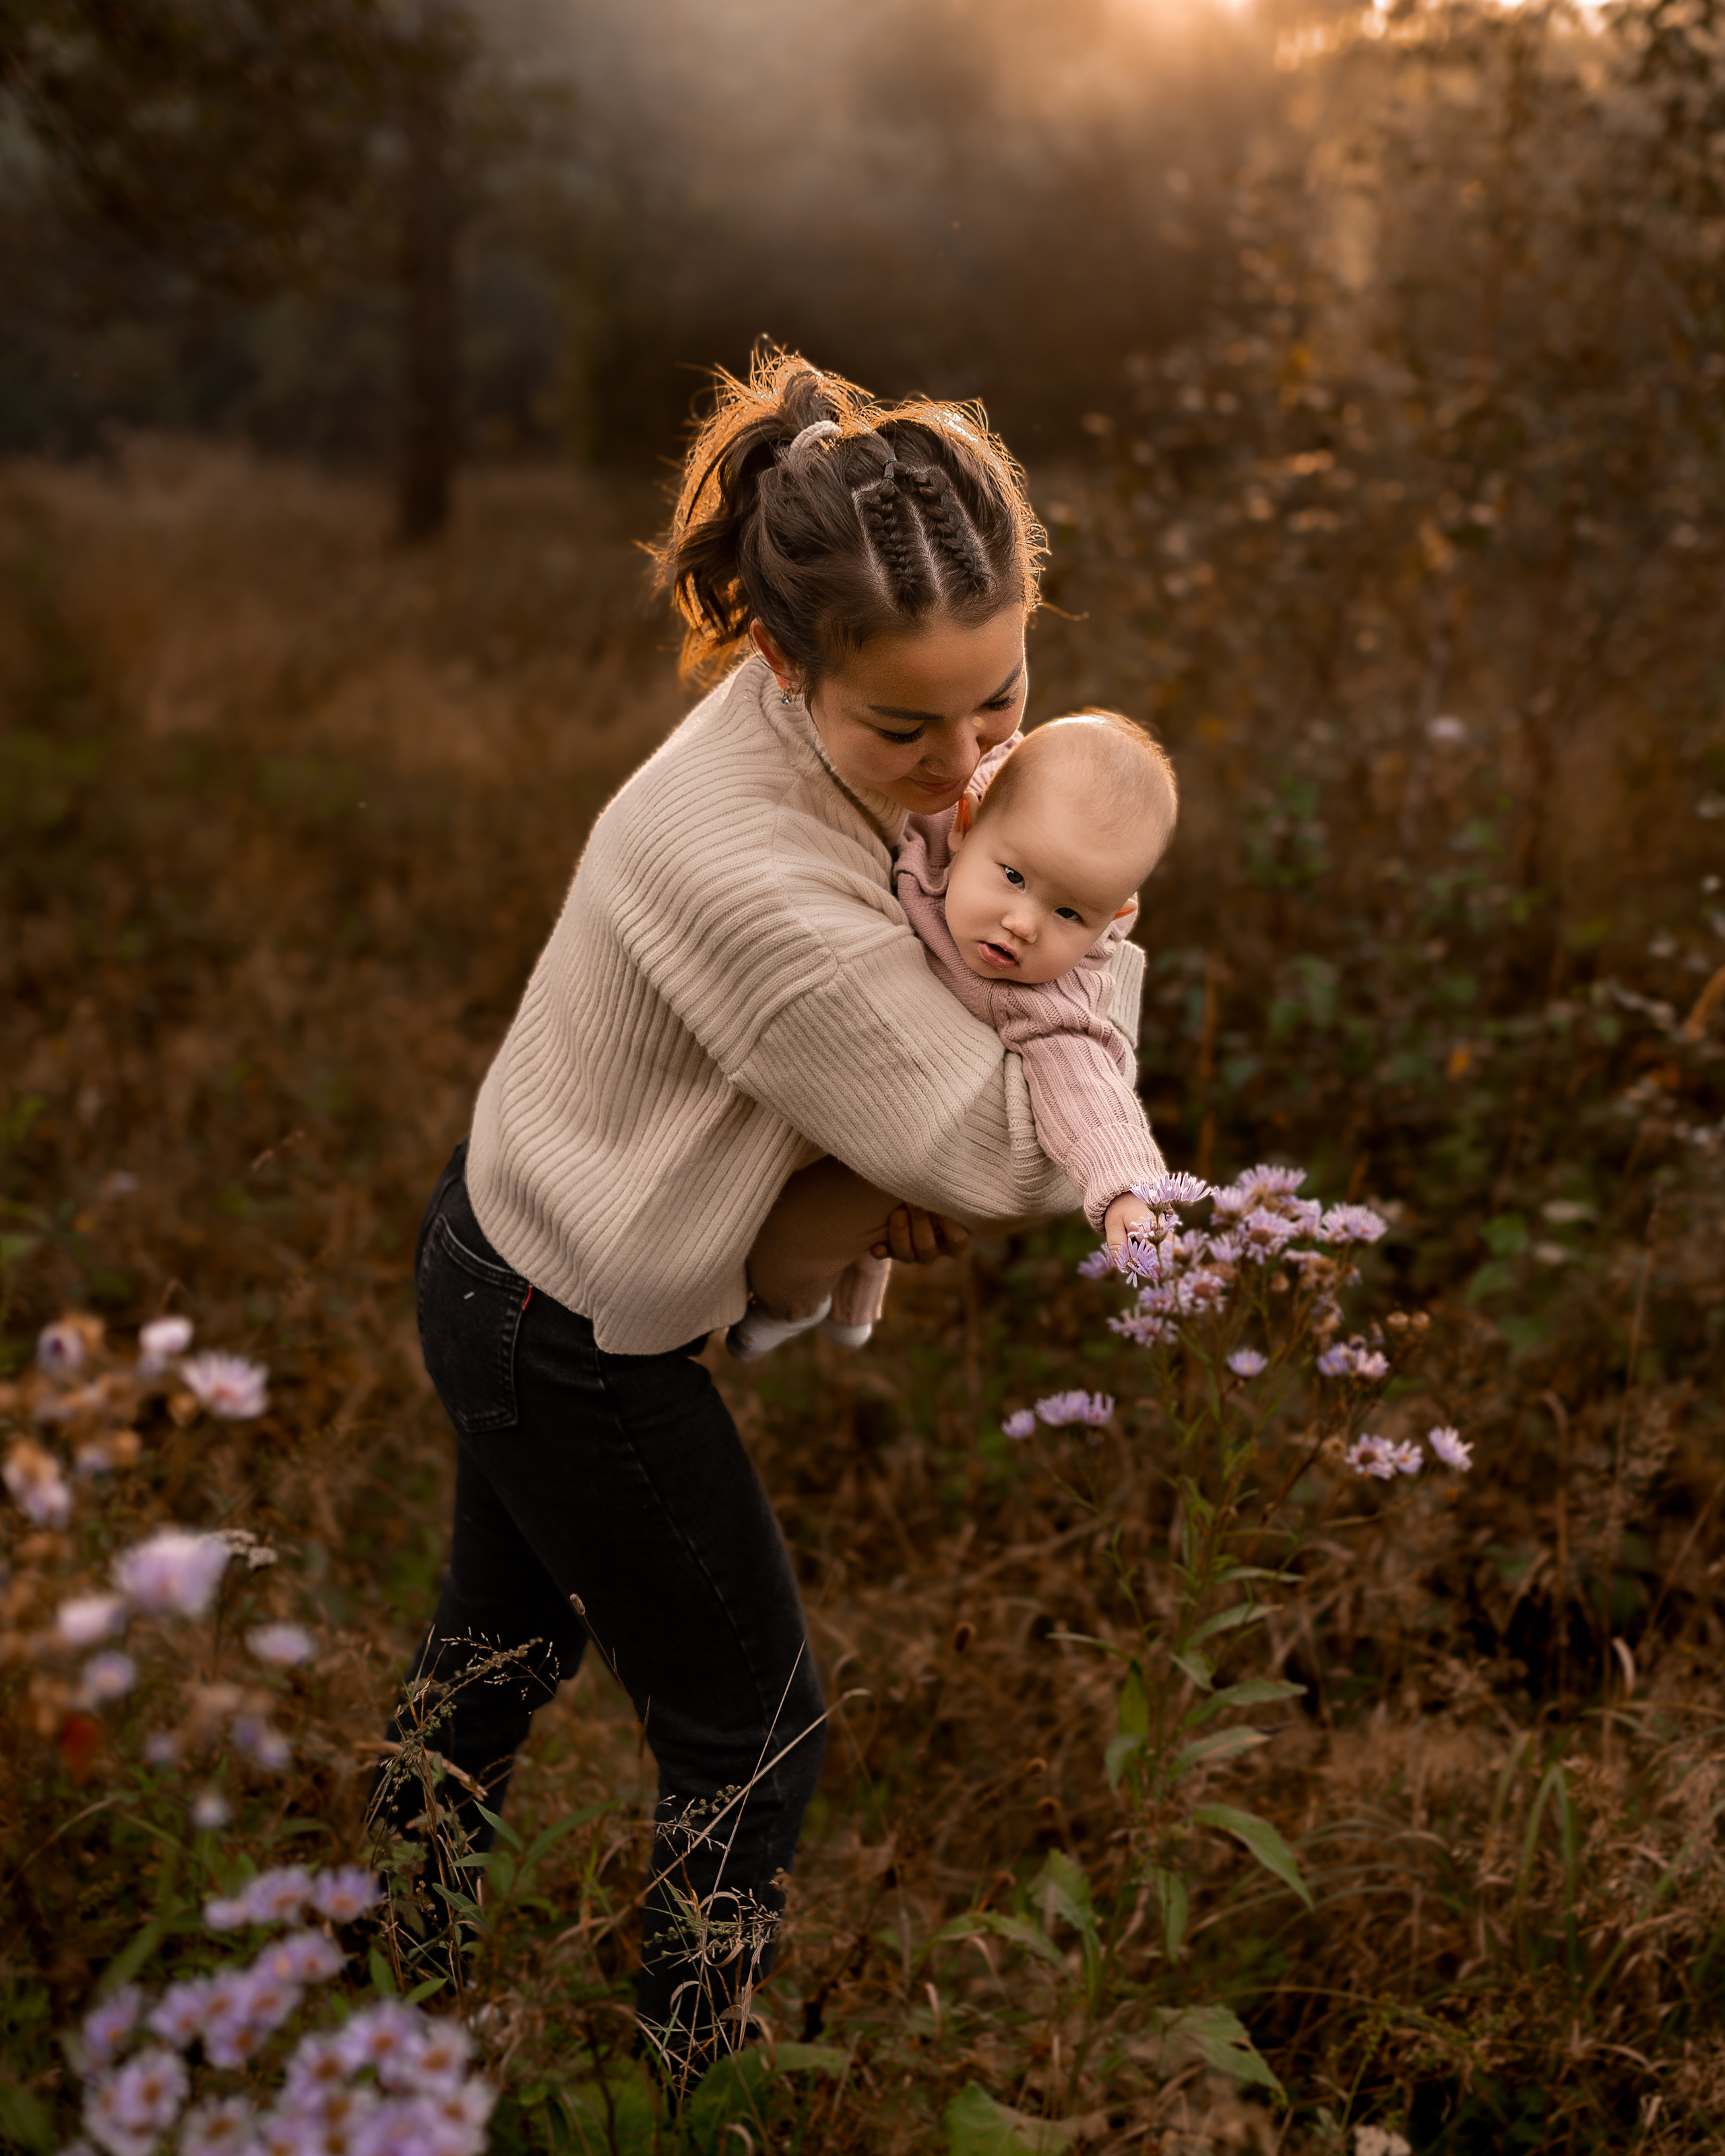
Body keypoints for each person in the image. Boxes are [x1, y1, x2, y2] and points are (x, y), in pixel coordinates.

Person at [373, 353, 1155, 2087]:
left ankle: (382, 2000)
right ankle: (684, 2091)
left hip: (512, 1243)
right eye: (908, 730)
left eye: (1002, 702)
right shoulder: (747, 871)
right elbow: (1000, 1156)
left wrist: (879, 1148)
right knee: (751, 1722)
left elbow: (936, 1041)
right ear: (784, 663)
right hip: (564, 1327)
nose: (968, 769)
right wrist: (1093, 928)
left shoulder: (846, 740)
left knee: (496, 1653)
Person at [727, 710, 1177, 1360]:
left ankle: (795, 1307)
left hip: (918, 1111)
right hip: (840, 1058)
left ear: (1114, 915)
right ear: (965, 822)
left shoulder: (1050, 993)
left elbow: (1086, 1087)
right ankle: (849, 1310)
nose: (1023, 924)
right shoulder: (936, 808)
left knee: (798, 1243)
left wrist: (1129, 1190)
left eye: (1069, 912)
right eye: (1014, 877)